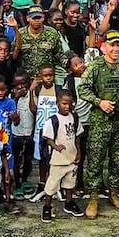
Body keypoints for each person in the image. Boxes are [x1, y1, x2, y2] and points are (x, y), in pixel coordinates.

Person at [78, 30, 119, 218]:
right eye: (112, 45)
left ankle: (113, 193)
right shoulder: (95, 66)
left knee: (117, 160)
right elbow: (82, 89)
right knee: (95, 160)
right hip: (100, 122)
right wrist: (99, 102)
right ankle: (93, 197)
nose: (116, 49)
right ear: (104, 47)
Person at [39, 90, 83, 223]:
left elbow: (77, 137)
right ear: (57, 103)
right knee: (52, 185)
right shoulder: (53, 120)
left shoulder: (74, 118)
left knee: (70, 183)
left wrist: (78, 152)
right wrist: (55, 146)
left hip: (71, 158)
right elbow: (47, 138)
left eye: (70, 104)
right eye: (64, 103)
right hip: (58, 160)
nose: (67, 106)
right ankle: (47, 206)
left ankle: (69, 203)